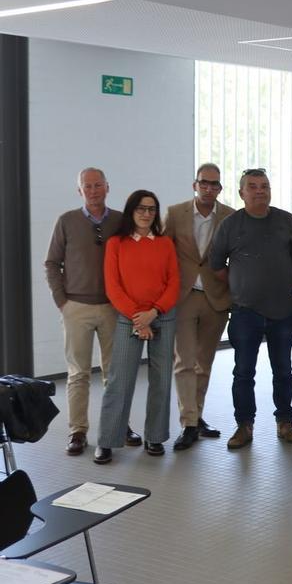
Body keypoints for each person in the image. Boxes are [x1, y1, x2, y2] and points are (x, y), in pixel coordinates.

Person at [209, 168, 292, 449]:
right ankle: (244, 425)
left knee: (284, 370)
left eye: (264, 185)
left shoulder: (286, 221)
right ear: (241, 193)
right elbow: (217, 266)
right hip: (244, 312)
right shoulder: (230, 225)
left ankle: (285, 422)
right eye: (253, 186)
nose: (260, 190)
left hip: (283, 310)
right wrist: (242, 285)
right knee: (243, 372)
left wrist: (281, 283)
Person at [45, 167, 137, 456]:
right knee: (78, 373)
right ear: (80, 191)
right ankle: (78, 431)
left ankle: (118, 425)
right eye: (88, 186)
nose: (94, 190)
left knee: (114, 372)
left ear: (108, 187)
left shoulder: (121, 221)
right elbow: (52, 263)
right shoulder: (67, 221)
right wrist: (62, 300)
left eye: (98, 185)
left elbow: (132, 261)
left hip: (112, 308)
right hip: (76, 307)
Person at [94, 190, 180, 464]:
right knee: (119, 381)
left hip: (162, 316)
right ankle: (107, 440)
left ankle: (154, 437)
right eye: (141, 208)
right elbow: (113, 286)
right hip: (128, 318)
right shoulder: (116, 243)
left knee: (161, 379)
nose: (146, 213)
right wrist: (138, 317)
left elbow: (173, 283)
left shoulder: (165, 243)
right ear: (131, 211)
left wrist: (153, 313)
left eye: (152, 209)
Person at [165, 163, 234, 451]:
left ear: (220, 188)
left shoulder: (230, 216)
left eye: (214, 184)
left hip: (215, 297)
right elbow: (163, 253)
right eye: (204, 183)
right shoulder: (174, 213)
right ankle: (188, 423)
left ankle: (197, 415)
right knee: (184, 361)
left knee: (204, 362)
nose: (209, 188)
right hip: (183, 296)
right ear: (195, 184)